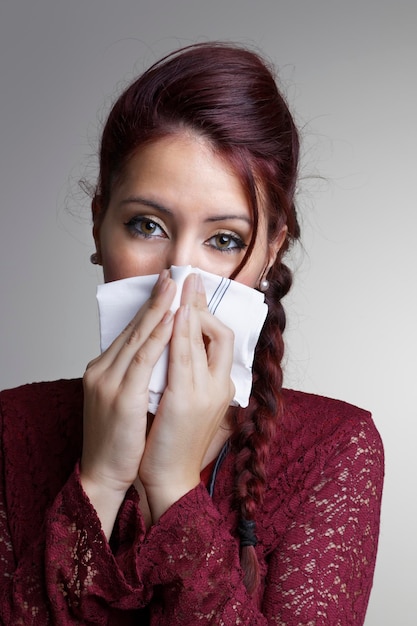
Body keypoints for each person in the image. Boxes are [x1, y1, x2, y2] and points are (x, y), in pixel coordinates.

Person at [0, 42, 384, 624]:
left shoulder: (335, 448)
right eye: (146, 225)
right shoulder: (10, 430)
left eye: (224, 239)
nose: (180, 277)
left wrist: (174, 485)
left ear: (271, 248)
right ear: (100, 225)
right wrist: (100, 482)